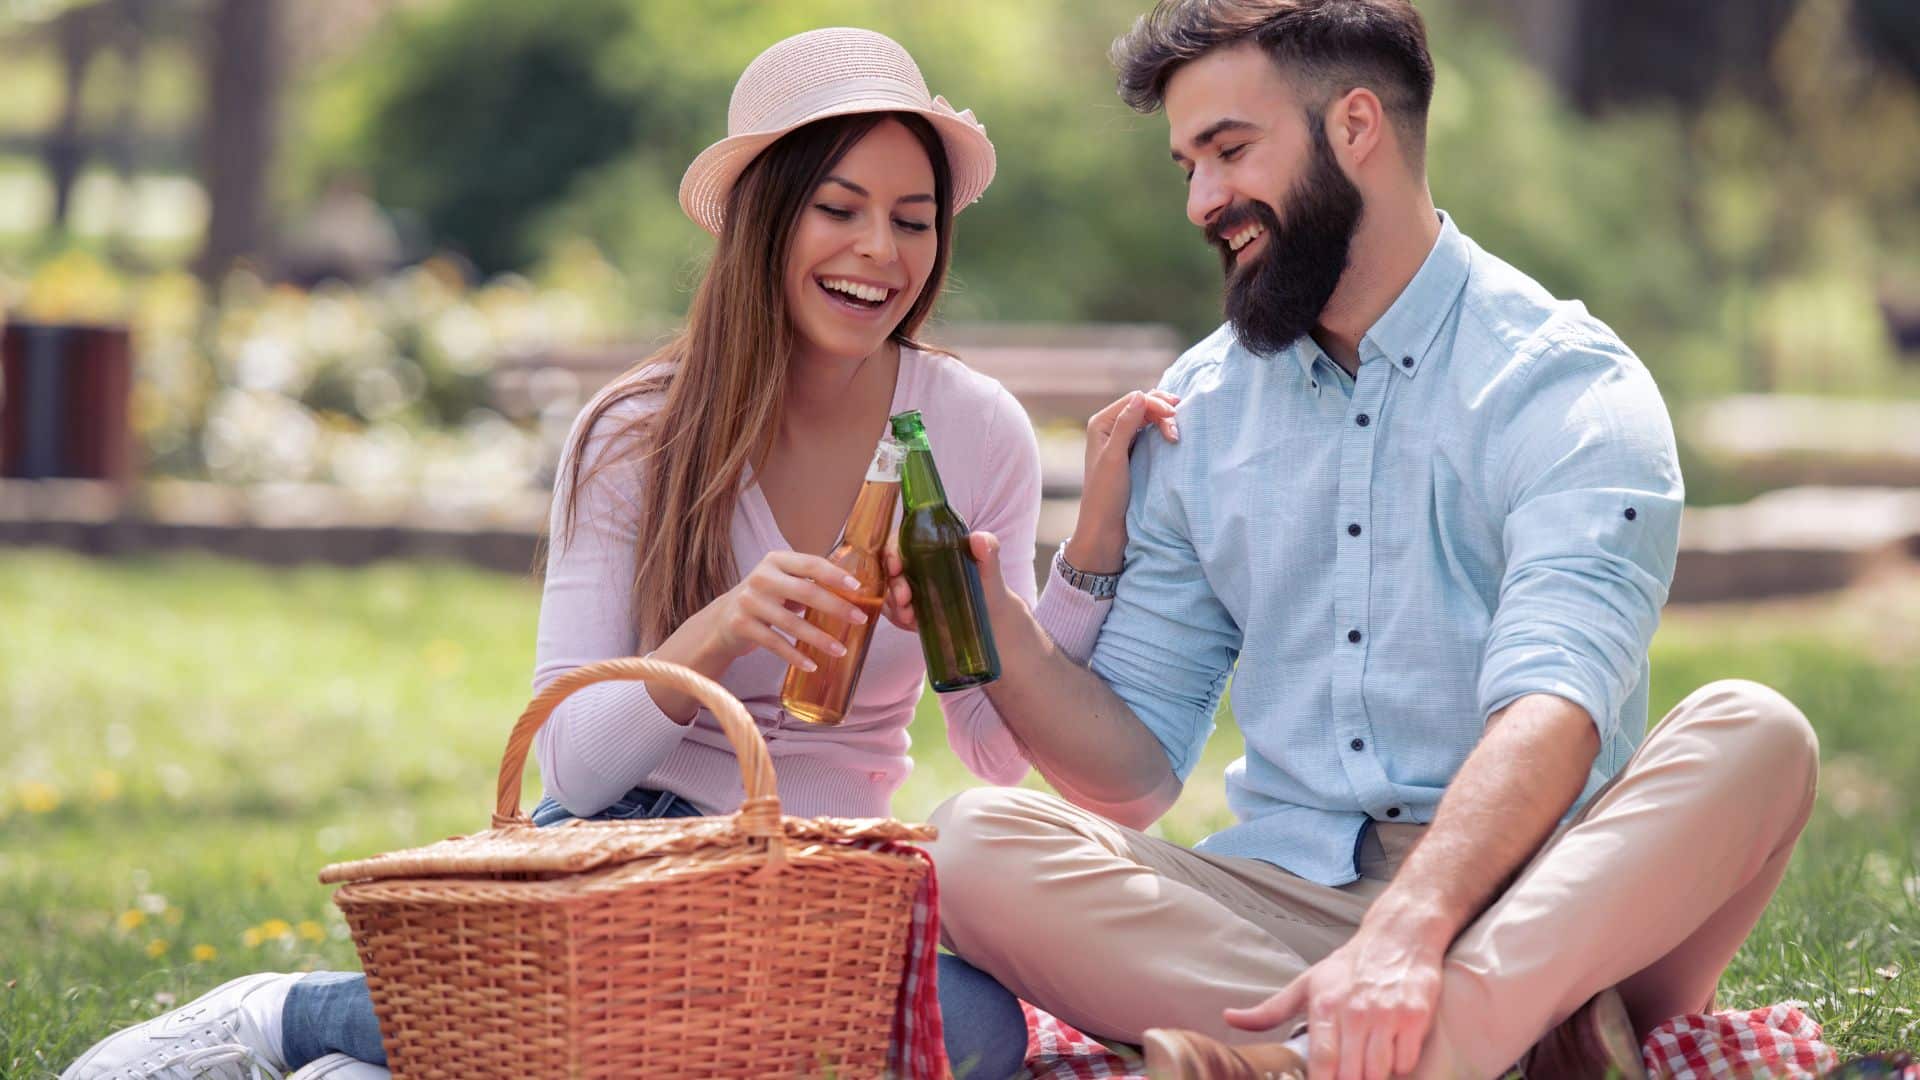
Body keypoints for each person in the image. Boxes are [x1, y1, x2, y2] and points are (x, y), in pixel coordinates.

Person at [62, 28, 1173, 1080]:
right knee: (667, 995)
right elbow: (574, 772)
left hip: (823, 886)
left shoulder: (969, 428)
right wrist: (725, 625)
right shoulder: (639, 432)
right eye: (840, 208)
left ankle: (407, 1050)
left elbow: (989, 749)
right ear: (762, 219)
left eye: (913, 219)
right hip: (628, 857)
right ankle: (287, 1011)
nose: (880, 252)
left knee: (968, 1029)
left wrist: (1076, 562)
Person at [907, 3, 1820, 1079]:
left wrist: (1413, 927)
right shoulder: (1197, 409)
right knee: (967, 843)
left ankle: (1329, 1056)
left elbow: (1555, 710)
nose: (1203, 201)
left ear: (1354, 127)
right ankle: (1466, 1050)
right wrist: (996, 617)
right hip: (1281, 914)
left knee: (1760, 736)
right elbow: (1137, 772)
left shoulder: (1567, 387)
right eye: (1188, 165)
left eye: (1231, 151)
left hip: (1549, 902)